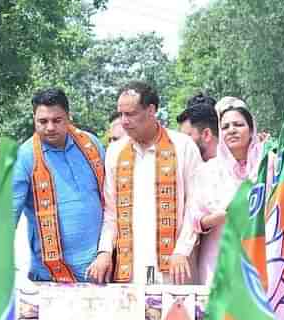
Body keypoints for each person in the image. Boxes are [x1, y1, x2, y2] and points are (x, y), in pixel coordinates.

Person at [90, 81, 203, 285]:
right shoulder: (116, 152)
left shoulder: (183, 147)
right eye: (121, 114)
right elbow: (111, 211)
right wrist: (105, 250)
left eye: (131, 114)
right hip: (130, 267)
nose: (124, 121)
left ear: (151, 110)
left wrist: (182, 250)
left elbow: (195, 206)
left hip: (175, 265)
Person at [13, 88, 105, 283]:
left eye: (57, 120)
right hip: (50, 275)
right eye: (43, 121)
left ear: (68, 117)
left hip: (101, 269)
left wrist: (106, 252)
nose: (50, 128)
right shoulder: (25, 156)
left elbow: (112, 200)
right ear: (34, 119)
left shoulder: (92, 145)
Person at [186, 101, 263, 286]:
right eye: (225, 127)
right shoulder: (206, 171)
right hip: (218, 258)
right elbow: (194, 218)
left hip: (260, 257)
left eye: (239, 125)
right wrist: (216, 218)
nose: (232, 130)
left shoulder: (269, 166)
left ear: (252, 130)